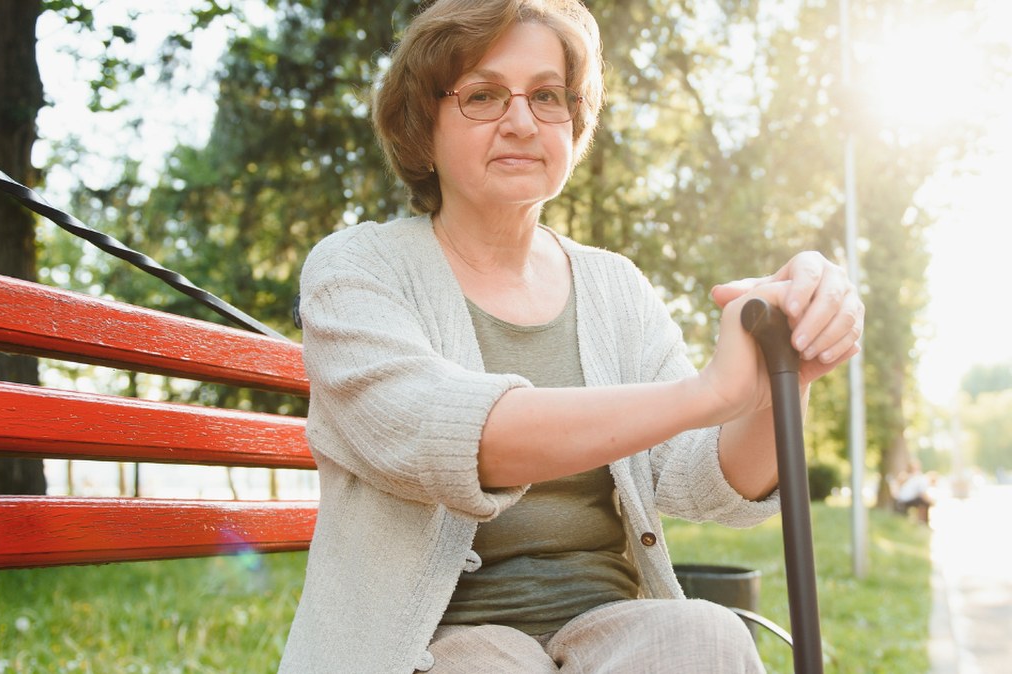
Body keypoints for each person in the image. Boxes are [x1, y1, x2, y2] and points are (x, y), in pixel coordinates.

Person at [279, 1, 863, 672]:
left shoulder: (616, 287)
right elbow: (448, 438)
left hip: (605, 622)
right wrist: (708, 392)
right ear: (423, 124)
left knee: (708, 637)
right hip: (431, 643)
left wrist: (782, 375)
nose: (522, 121)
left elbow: (704, 481)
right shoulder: (357, 268)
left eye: (548, 96)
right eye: (483, 95)